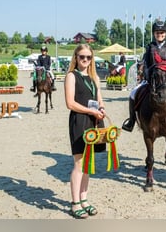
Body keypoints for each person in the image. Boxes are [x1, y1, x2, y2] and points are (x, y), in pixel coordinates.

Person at [121, 20, 166, 137]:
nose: (160, 34)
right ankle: (131, 121)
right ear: (154, 33)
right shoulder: (150, 47)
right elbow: (145, 63)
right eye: (157, 32)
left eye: (162, 32)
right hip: (152, 81)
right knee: (132, 94)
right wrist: (147, 73)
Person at [64, 44, 106, 218]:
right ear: (76, 57)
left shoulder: (93, 77)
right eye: (82, 57)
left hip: (94, 120)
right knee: (79, 163)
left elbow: (99, 99)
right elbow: (70, 103)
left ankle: (84, 199)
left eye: (88, 57)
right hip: (80, 121)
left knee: (88, 163)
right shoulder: (71, 76)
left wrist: (102, 109)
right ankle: (75, 202)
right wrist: (91, 111)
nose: (85, 60)